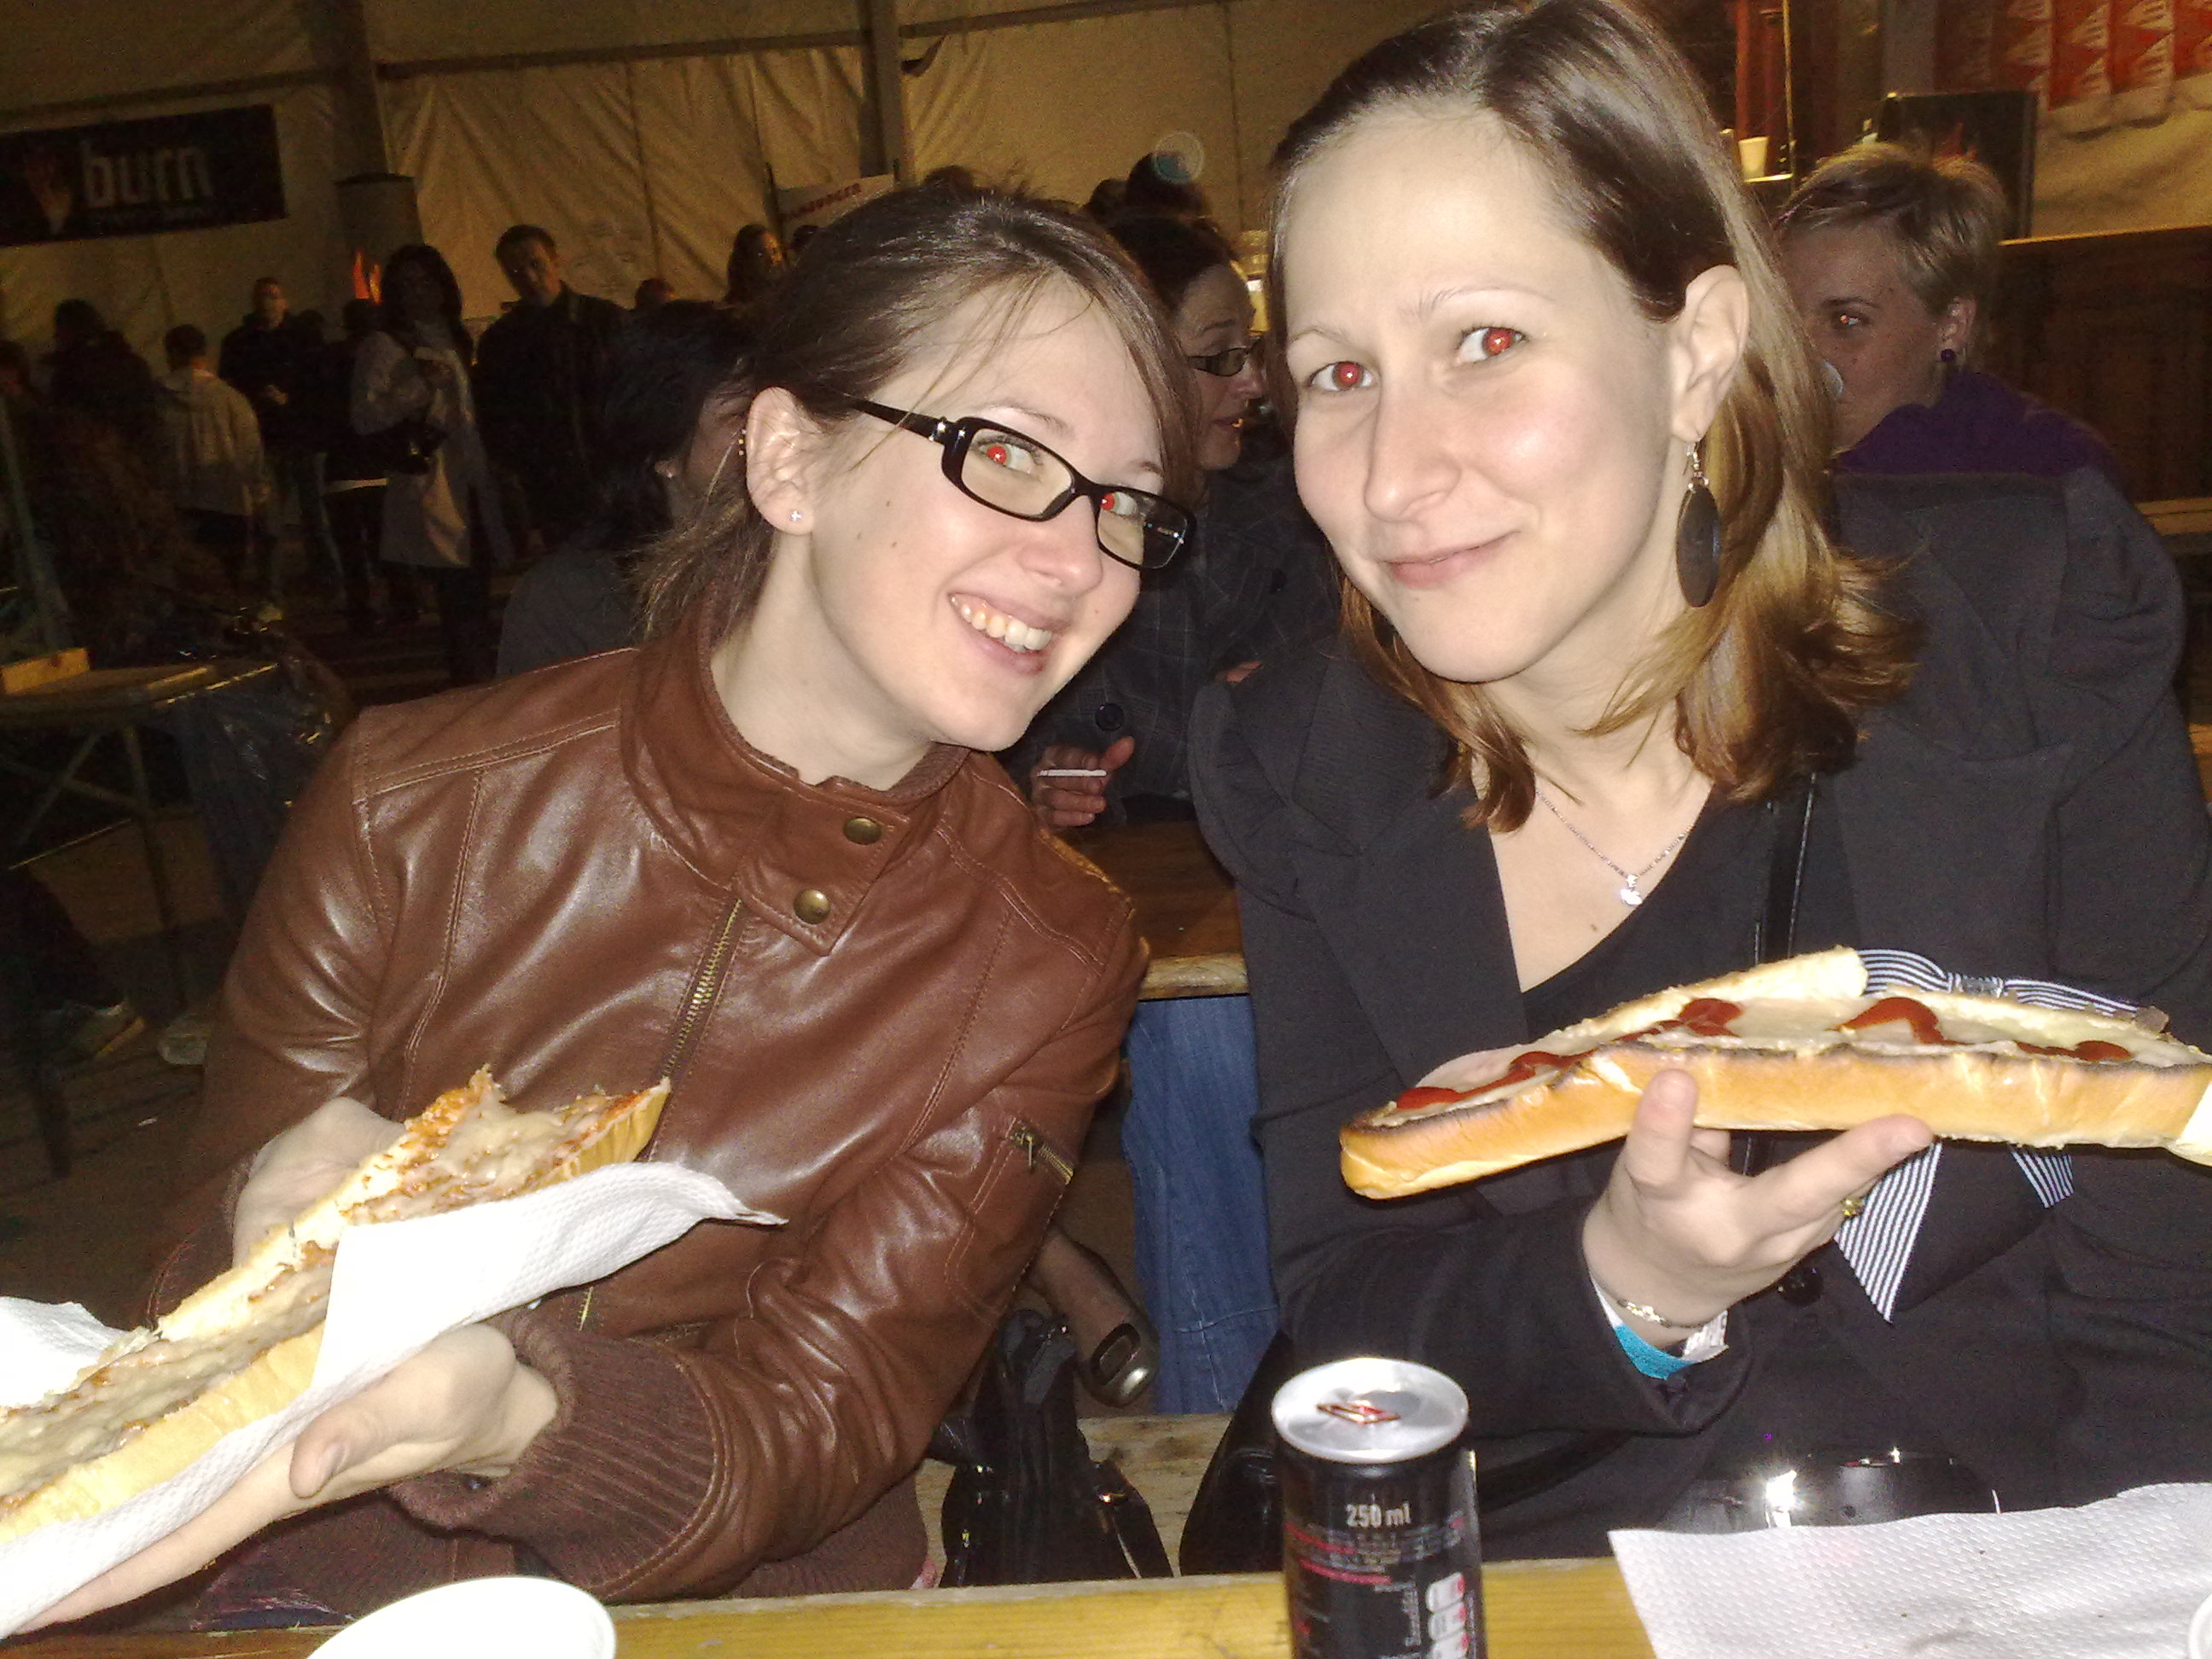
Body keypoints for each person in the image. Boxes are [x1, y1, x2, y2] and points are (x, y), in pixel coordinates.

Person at [30, 178, 1196, 1631]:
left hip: (754, 1604)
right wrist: (259, 1229)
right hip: (328, 1582)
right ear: (789, 458)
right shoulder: (409, 799)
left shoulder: (1049, 954)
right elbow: (185, 1302)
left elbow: (827, 1418)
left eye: (1127, 504)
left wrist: (510, 1412)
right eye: (1008, 452)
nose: (1079, 561)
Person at [1190, 0, 2212, 1557]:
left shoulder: (2029, 634)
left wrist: (2128, 1582)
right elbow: (1352, 1309)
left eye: (1484, 343)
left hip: (2030, 1550)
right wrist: (1628, 1280)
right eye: (1338, 372)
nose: (1392, 472)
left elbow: (2171, 1258)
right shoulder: (1303, 767)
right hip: (1576, 1572)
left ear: (1697, 349)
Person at [1011, 212, 1336, 1412]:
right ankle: (1224, 1407)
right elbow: (984, 738)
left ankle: (1247, 1398)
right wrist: (1039, 772)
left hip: (1269, 872)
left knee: (1221, 1037)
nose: (1253, 383)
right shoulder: (1048, 518)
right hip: (1107, 889)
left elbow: (1332, 713)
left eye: (1256, 352)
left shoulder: (1294, 506)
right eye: (1218, 359)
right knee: (1195, 1039)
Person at [1775, 143, 2124, 486]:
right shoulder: (1763, 462)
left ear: (1952, 326)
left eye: (1846, 320)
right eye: (1784, 317)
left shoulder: (2051, 476)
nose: (1798, 355)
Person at [497, 300, 749, 677]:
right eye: (740, 417)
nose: (771, 437)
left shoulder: (791, 561)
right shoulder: (572, 603)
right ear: (662, 449)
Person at [352, 243, 509, 684]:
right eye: (407, 286)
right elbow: (365, 416)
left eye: (426, 282)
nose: (418, 293)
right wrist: (419, 387)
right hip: (434, 479)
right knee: (459, 597)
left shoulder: (456, 336)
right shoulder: (385, 345)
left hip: (473, 478)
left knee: (476, 594)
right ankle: (474, 691)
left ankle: (480, 687)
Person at [474, 224, 626, 545]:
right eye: (516, 271)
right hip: (552, 491)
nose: (529, 278)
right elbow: (496, 421)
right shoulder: (501, 342)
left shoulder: (607, 322)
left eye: (535, 264)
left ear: (555, 260)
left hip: (614, 479)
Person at [299, 298, 395, 632]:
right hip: (380, 465)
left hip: (342, 466)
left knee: (351, 547)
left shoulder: (327, 363)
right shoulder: (383, 361)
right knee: (386, 543)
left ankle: (361, 608)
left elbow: (314, 413)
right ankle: (400, 601)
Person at [158, 323, 268, 591]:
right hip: (227, 503)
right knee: (226, 584)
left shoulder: (156, 399)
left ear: (171, 353)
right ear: (205, 355)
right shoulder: (231, 399)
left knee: (186, 588)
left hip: (177, 502)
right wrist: (258, 493)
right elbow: (251, 452)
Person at [722, 223, 786, 309]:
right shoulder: (737, 309)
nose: (772, 259)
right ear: (747, 262)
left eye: (775, 251)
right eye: (761, 255)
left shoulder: (793, 293)